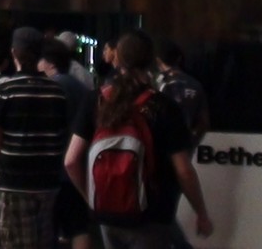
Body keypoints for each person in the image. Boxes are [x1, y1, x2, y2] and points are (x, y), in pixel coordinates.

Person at [65, 31, 213, 249]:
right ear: (151, 60)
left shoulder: (95, 100)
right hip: (151, 216)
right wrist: (201, 213)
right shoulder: (163, 107)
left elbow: (70, 161)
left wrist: (93, 198)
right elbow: (183, 171)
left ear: (118, 58)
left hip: (107, 214)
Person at [0, 28, 68, 249]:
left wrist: (1, 157)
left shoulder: (5, 89)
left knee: (15, 241)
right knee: (44, 240)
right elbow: (61, 133)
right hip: (48, 179)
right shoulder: (57, 91)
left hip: (14, 180)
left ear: (14, 52)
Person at [38, 40, 92, 249]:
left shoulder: (50, 88)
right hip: (78, 165)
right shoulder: (81, 88)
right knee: (78, 226)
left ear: (50, 63)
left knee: (49, 228)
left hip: (54, 167)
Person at [154, 40, 210, 146]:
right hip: (183, 145)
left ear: (158, 61)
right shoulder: (195, 85)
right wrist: (191, 142)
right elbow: (204, 123)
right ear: (179, 59)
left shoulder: (155, 83)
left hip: (158, 145)